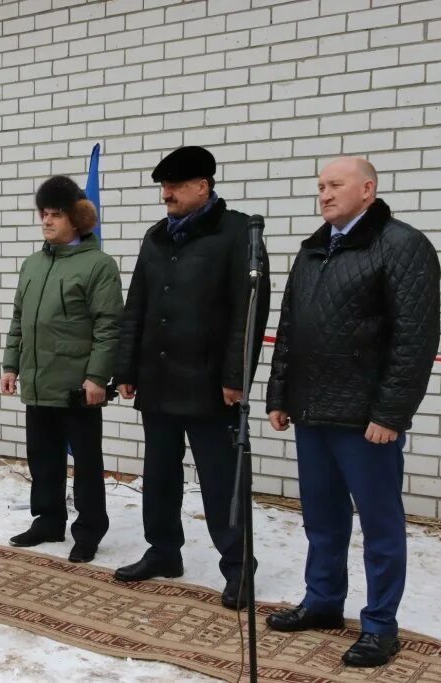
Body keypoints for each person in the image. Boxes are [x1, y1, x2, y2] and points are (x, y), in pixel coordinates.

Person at [265, 157, 440, 667]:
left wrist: (391, 414)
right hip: (312, 412)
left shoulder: (402, 246)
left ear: (368, 189)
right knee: (322, 519)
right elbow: (290, 328)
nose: (324, 194)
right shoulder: (314, 248)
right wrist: (280, 395)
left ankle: (380, 624)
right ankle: (322, 601)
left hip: (367, 421)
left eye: (335, 185)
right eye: (320, 186)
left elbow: (414, 340)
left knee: (380, 526)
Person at [112, 146, 271, 610]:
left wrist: (236, 375)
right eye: (164, 187)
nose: (167, 195)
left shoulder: (238, 232)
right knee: (159, 475)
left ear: (203, 186)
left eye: (175, 187)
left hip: (209, 385)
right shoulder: (156, 237)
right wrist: (126, 368)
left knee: (222, 481)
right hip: (157, 378)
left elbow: (250, 310)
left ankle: (239, 568)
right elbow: (136, 303)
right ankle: (164, 551)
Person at [0, 176, 123, 564]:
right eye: (44, 214)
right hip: (38, 382)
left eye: (56, 215)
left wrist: (97, 376)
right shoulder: (32, 264)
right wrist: (11, 364)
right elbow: (20, 319)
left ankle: (88, 531)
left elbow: (108, 325)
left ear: (78, 219)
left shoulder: (98, 266)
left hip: (78, 386)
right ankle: (48, 520)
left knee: (86, 463)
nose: (47, 221)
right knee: (43, 458)